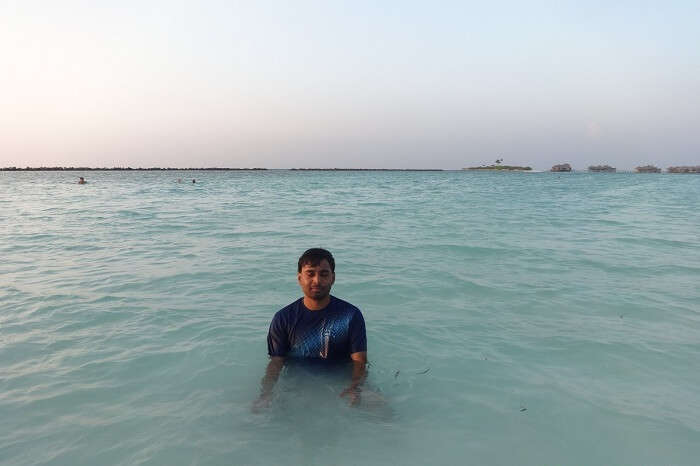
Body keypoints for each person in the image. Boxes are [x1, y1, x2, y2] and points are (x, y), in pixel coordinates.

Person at [253, 248, 367, 411]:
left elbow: (359, 361)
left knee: (383, 414)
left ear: (333, 278)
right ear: (300, 278)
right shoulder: (283, 318)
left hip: (339, 382)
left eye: (324, 274)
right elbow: (276, 362)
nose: (317, 280)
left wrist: (356, 388)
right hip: (298, 382)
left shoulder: (350, 315)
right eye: (310, 273)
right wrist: (266, 393)